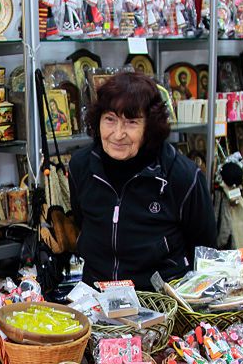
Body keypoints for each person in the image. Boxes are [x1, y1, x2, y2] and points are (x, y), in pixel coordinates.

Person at [68, 71, 216, 289]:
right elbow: (82, 223)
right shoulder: (81, 166)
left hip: (160, 304)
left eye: (131, 122)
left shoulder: (182, 176)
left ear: (150, 126)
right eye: (110, 119)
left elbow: (206, 254)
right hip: (96, 299)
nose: (118, 134)